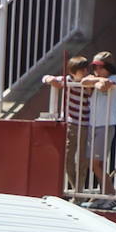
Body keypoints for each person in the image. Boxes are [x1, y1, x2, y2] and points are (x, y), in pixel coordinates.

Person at [43, 55, 92, 194]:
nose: (85, 72)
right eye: (81, 70)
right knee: (68, 158)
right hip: (71, 123)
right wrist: (50, 79)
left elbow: (92, 90)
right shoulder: (68, 80)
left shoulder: (88, 82)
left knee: (82, 159)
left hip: (85, 124)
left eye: (86, 69)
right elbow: (46, 77)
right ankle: (77, 188)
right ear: (72, 72)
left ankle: (79, 190)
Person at [80, 51, 116, 208]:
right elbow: (85, 81)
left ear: (108, 67)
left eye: (99, 67)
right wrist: (96, 80)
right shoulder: (99, 78)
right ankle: (106, 195)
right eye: (94, 67)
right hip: (94, 124)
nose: (96, 70)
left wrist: (96, 81)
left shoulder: (115, 79)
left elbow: (104, 87)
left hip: (106, 124)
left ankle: (112, 195)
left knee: (95, 163)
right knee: (98, 164)